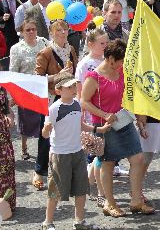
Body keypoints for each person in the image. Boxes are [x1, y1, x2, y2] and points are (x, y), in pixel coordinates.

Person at [80, 40, 154, 217]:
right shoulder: (94, 77)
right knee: (108, 163)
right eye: (120, 60)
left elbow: (130, 97)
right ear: (111, 59)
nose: (122, 64)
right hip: (105, 126)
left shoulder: (122, 72)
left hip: (124, 121)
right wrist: (104, 115)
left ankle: (136, 201)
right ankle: (109, 203)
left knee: (138, 158)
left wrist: (140, 122)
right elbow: (84, 101)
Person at [41, 73, 110, 230]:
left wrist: (98, 129)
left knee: (81, 188)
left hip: (77, 152)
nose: (74, 89)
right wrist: (46, 128)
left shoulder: (78, 104)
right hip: (59, 154)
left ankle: (79, 221)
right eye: (69, 87)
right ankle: (47, 222)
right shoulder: (54, 108)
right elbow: (45, 135)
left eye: (74, 86)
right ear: (58, 90)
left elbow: (81, 125)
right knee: (55, 189)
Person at [33, 19, 79, 191]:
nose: (62, 33)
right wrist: (56, 76)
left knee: (68, 134)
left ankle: (66, 171)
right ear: (52, 33)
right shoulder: (45, 52)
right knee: (46, 136)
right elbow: (37, 79)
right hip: (52, 99)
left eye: (65, 29)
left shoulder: (71, 49)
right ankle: (39, 170)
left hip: (69, 97)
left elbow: (76, 69)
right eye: (58, 30)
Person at [75, 28, 108, 205]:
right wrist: (82, 115)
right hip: (91, 114)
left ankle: (90, 185)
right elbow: (80, 94)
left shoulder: (106, 60)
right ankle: (94, 188)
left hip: (106, 111)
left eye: (106, 43)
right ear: (90, 44)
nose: (105, 46)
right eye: (102, 43)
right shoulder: (84, 64)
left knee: (101, 152)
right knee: (95, 153)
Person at [9, 20, 49, 160]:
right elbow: (13, 71)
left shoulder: (44, 43)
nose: (31, 32)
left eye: (33, 29)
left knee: (44, 120)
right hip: (25, 89)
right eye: (28, 30)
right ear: (22, 32)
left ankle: (44, 149)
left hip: (42, 87)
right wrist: (12, 94)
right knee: (25, 121)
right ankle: (24, 147)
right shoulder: (16, 48)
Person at [0, 49, 16, 213]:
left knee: (6, 164)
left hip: (2, 131)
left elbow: (8, 108)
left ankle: (7, 203)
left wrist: (10, 117)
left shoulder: (3, 82)